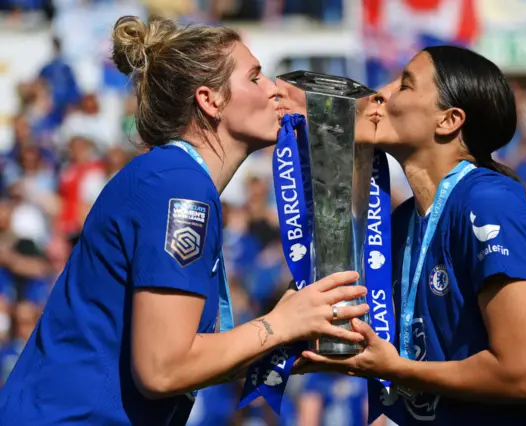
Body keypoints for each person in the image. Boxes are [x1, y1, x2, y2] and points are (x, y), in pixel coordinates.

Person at [0, 16, 369, 425]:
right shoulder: (178, 186)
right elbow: (161, 370)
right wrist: (277, 325)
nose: (275, 89)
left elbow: (181, 361)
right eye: (256, 76)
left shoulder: (172, 178)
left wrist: (281, 344)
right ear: (210, 100)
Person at [301, 46, 526, 425]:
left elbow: (525, 375)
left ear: (449, 120)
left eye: (405, 84)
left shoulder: (488, 203)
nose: (382, 93)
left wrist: (397, 369)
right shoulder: (402, 223)